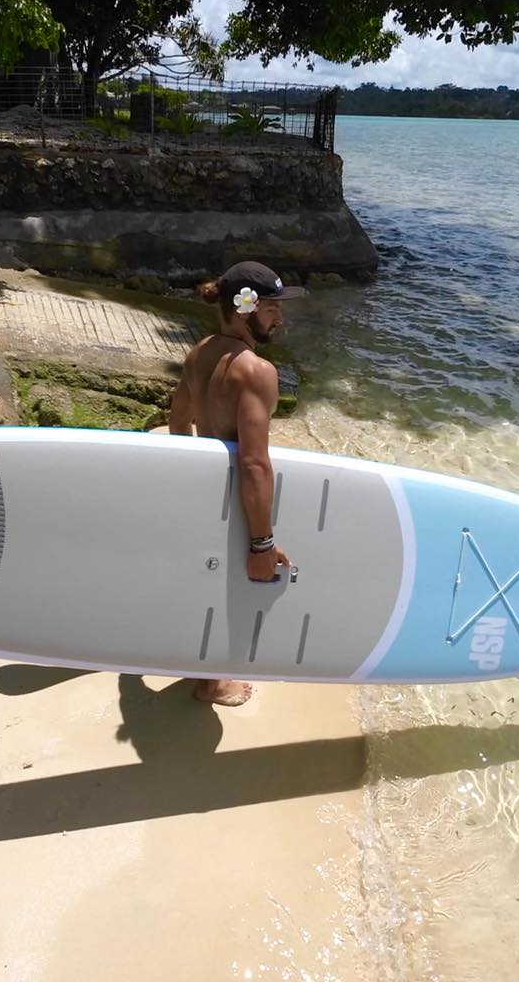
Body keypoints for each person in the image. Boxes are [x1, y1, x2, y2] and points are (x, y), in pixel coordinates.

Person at [167, 260, 306, 707]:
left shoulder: (200, 351)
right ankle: (213, 683)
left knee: (208, 582)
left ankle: (203, 671)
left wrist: (194, 484)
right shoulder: (256, 371)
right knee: (238, 586)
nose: (279, 318)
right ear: (246, 309)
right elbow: (253, 465)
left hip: (207, 493)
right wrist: (262, 543)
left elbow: (177, 421)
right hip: (238, 497)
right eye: (271, 309)